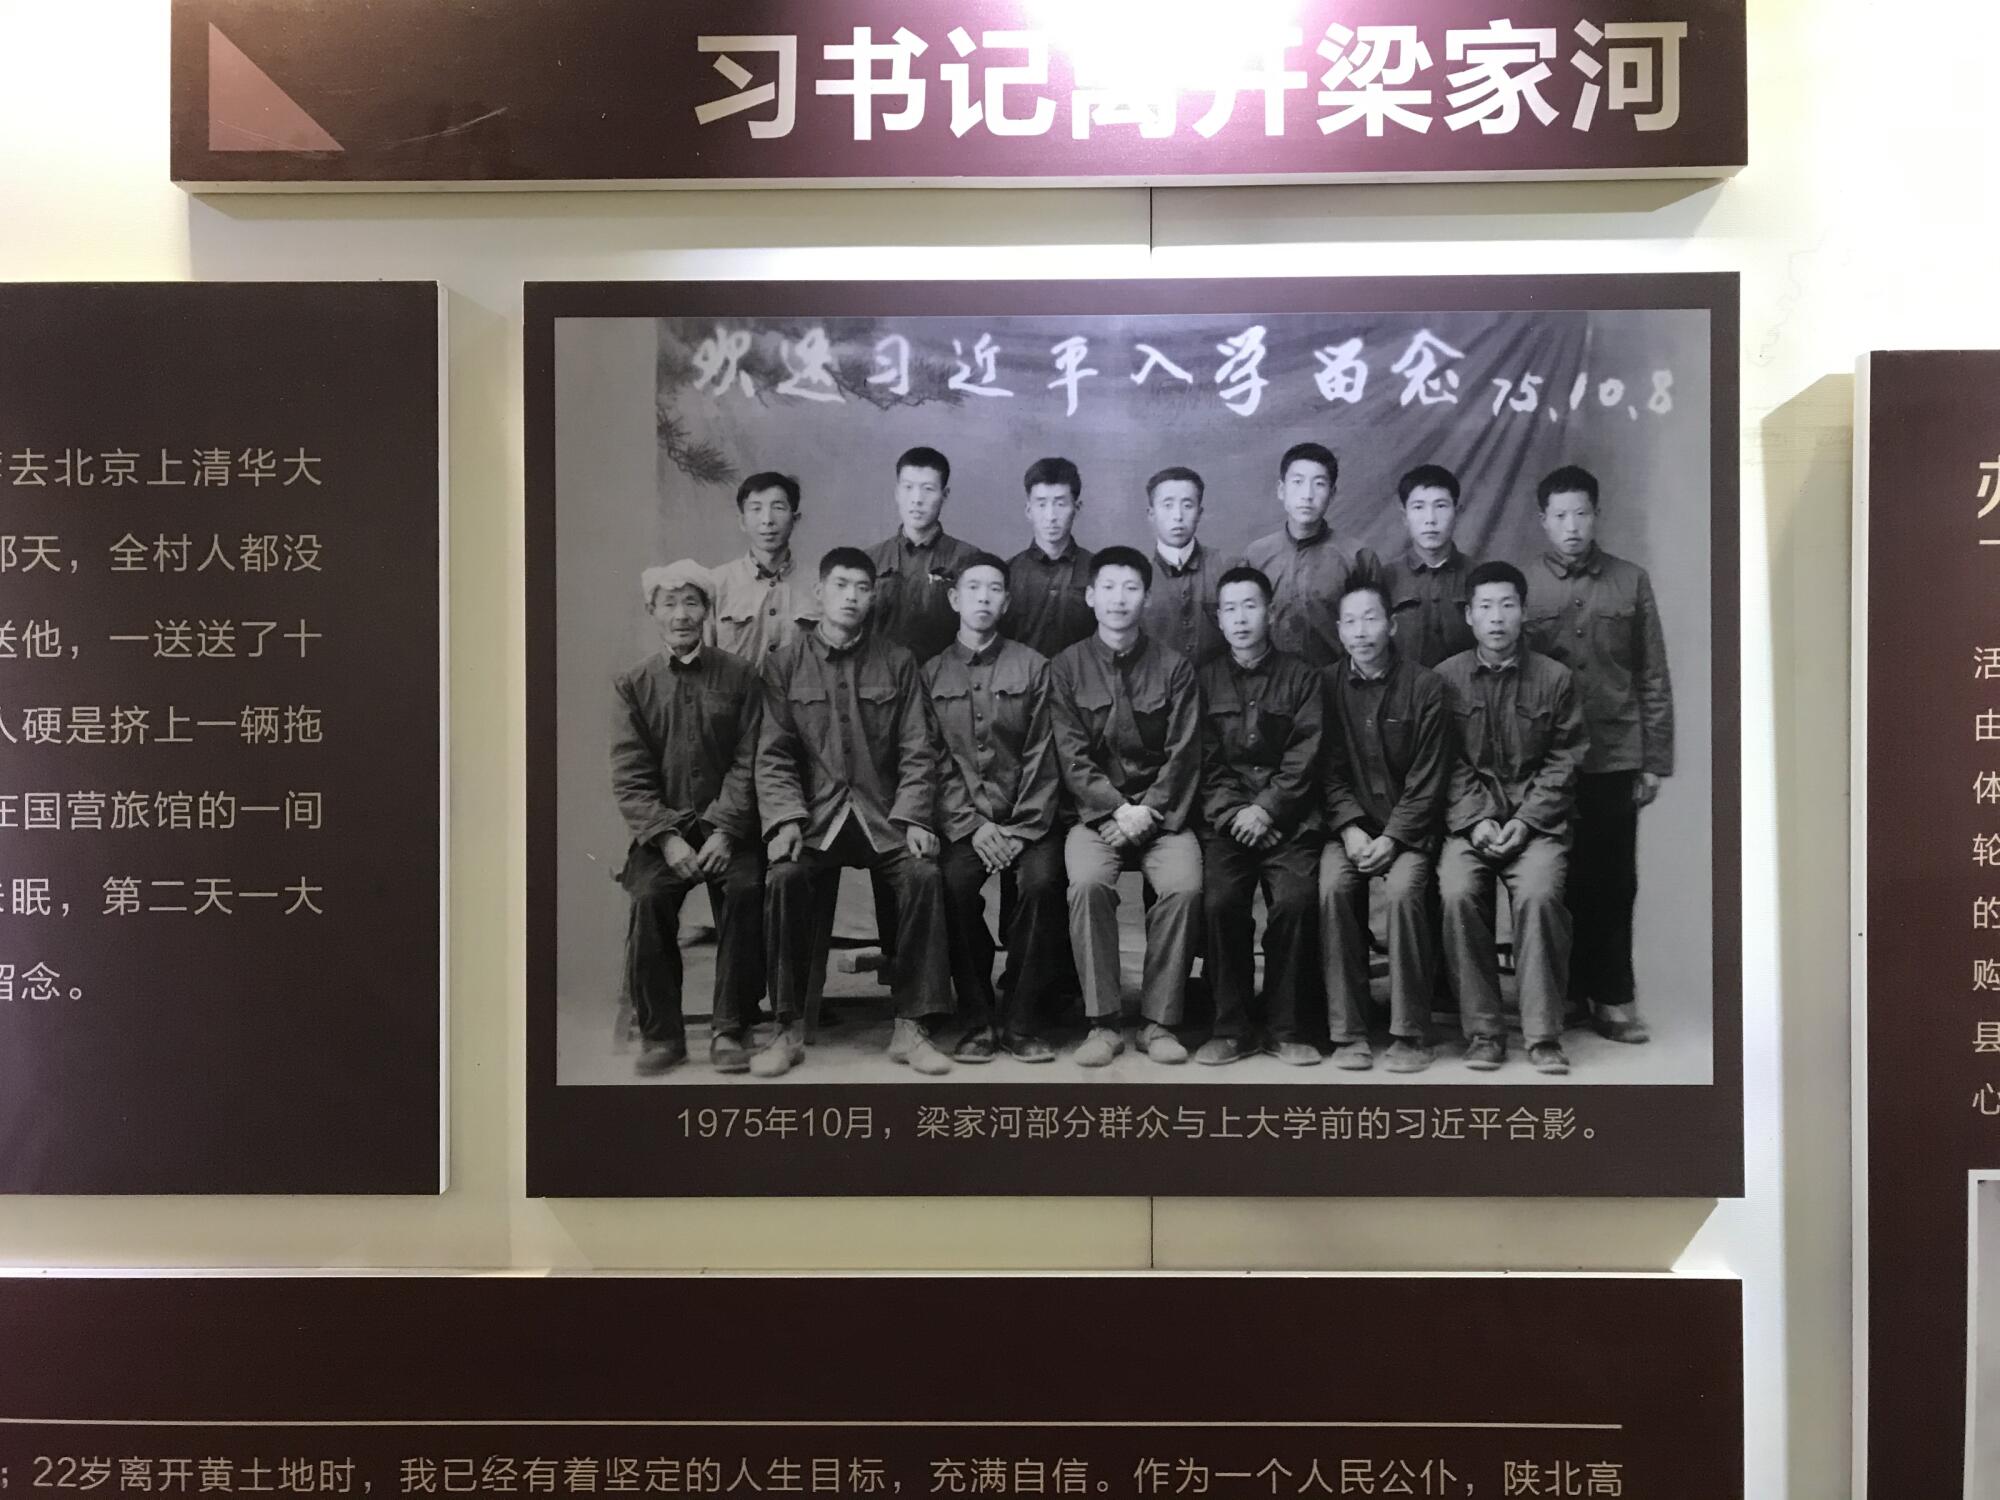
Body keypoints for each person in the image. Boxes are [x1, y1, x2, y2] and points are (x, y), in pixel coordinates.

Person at [753, 547, 954, 1078]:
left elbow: (918, 748)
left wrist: (914, 818)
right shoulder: (783, 665)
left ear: (873, 596)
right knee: (784, 878)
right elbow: (772, 755)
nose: (851, 596)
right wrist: (786, 821)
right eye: (840, 585)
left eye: (862, 588)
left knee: (922, 876)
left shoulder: (897, 661)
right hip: (817, 819)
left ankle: (912, 1026)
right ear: (819, 592)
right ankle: (787, 1028)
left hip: (881, 817)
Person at [1524, 465, 1674, 1046]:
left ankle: (1612, 997)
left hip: (1614, 754)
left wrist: (1654, 759)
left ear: (1596, 515)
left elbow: (1653, 674)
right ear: (1543, 521)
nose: (1571, 526)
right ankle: (1562, 995)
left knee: (1613, 880)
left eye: (1581, 513)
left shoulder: (1630, 582)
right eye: (1559, 515)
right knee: (1556, 881)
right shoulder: (1527, 587)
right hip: (1547, 761)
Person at [1049, 546, 1204, 1067]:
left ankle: (1160, 1022)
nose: (1119, 599)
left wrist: (1147, 811)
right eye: (1109, 587)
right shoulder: (1066, 668)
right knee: (1088, 885)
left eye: (1131, 588)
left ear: (1147, 596)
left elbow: (1185, 754)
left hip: (1163, 817)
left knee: (1184, 888)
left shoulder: (1176, 668)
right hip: (1097, 818)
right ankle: (1104, 1022)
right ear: (1091, 596)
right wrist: (1115, 810)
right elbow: (1069, 756)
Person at [610, 561, 766, 1075]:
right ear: (651, 612)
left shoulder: (741, 676)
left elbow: (750, 760)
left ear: (708, 610)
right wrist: (668, 840)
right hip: (666, 833)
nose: (681, 615)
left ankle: (731, 1028)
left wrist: (725, 829)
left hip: (729, 829)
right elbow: (631, 777)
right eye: (669, 604)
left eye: (691, 603)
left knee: (745, 891)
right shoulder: (634, 684)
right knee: (650, 898)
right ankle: (663, 1036)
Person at [1435, 561, 1588, 1075]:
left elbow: (1566, 758)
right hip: (1470, 822)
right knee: (1456, 891)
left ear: (1523, 612)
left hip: (1536, 825)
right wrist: (1476, 819)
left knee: (1541, 895)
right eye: (1485, 607)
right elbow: (1444, 761)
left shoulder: (1555, 678)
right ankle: (1483, 1032)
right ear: (1469, 616)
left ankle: (1543, 1036)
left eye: (1507, 605)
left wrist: (1525, 822)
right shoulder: (1445, 679)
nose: (1496, 618)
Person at [924, 553, 1066, 1063]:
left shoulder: (1034, 666)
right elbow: (932, 761)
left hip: (1029, 822)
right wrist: (971, 825)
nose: (984, 598)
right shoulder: (931, 673)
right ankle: (978, 1017)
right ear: (955, 599)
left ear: (1006, 601)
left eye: (995, 589)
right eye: (974, 588)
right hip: (966, 826)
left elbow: (1044, 753)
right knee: (951, 886)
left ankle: (1023, 1019)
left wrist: (1021, 828)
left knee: (1042, 883)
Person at [1319, 562, 1452, 1073]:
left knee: (1402, 892)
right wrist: (1351, 829)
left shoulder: (1426, 686)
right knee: (1332, 887)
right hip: (1348, 830)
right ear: (1338, 631)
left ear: (1391, 624)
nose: (1361, 632)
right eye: (1350, 622)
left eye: (1371, 619)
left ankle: (1409, 1032)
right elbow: (1324, 772)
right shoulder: (1324, 685)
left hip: (1409, 832)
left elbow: (1429, 779)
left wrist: (1394, 837)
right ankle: (1348, 1031)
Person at [1192, 565, 1325, 1067]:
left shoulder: (1303, 677)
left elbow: (1305, 756)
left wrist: (1267, 810)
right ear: (1220, 619)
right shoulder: (1202, 678)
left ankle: (1285, 1026)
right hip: (1226, 823)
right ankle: (1231, 1026)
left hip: (1288, 823)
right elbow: (1201, 759)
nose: (1241, 618)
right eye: (1230, 609)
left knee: (1294, 901)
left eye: (1251, 606)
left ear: (1271, 612)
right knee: (1222, 901)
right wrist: (1236, 814)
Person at [1243, 441, 1375, 667]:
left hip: (1337, 684)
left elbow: (1374, 630)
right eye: (1297, 482)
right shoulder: (1256, 556)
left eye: (1319, 484)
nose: (1307, 494)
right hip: (1270, 683)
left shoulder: (1357, 557)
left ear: (1332, 494)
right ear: (1281, 491)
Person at [866, 445, 981, 664]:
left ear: (944, 494)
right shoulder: (871, 560)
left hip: (947, 685)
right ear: (897, 492)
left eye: (928, 488)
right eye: (908, 487)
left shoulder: (969, 559)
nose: (917, 499)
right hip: (881, 683)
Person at [705, 472, 821, 662]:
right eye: (756, 508)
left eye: (778, 507)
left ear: (796, 519)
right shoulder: (716, 585)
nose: (767, 519)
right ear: (742, 521)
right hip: (737, 692)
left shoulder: (820, 585)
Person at [1137, 466, 1236, 667]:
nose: (1178, 516)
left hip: (1222, 691)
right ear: (1151, 514)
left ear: (1199, 513)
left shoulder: (1227, 567)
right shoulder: (1136, 575)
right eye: (1167, 505)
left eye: (1187, 505)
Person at [1001, 456, 1097, 659]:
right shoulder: (1006, 574)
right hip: (1021, 687)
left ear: (1077, 509)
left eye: (1060, 504)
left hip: (1083, 686)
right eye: (1041, 504)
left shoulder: (1098, 572)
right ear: (1029, 510)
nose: (1051, 516)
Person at [1382, 463, 1477, 669]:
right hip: (1404, 696)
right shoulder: (1384, 578)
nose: (1430, 519)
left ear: (1457, 511)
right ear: (1404, 516)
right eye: (1418, 507)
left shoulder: (1478, 576)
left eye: (1441, 506)